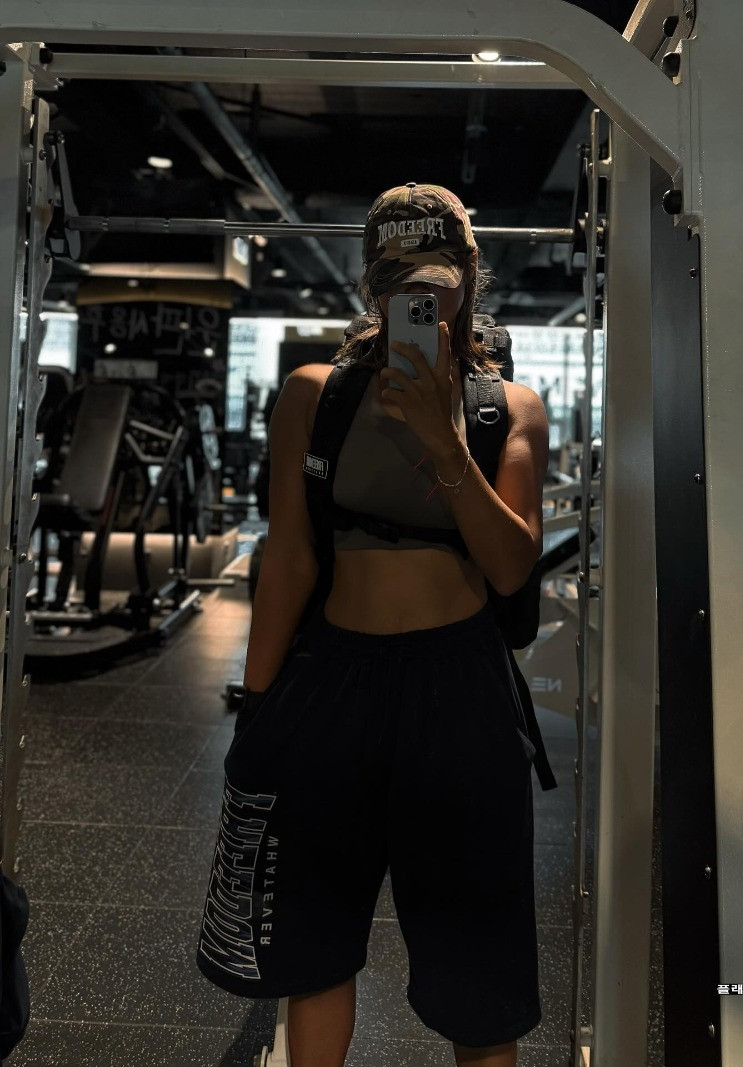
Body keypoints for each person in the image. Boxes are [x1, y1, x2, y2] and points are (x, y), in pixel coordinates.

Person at [197, 182, 549, 1067]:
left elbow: (512, 566)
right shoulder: (313, 394)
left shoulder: (509, 408)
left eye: (435, 285)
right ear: (370, 288)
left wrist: (444, 443)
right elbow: (289, 556)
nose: (419, 302)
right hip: (332, 684)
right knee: (314, 947)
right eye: (399, 286)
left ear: (469, 277)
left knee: (480, 973)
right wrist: (258, 709)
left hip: (459, 691)